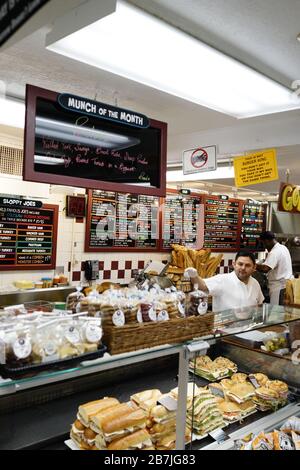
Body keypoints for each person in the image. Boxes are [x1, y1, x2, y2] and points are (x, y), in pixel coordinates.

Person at [184, 250, 264, 313]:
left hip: (249, 329)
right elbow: (202, 286)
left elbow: (260, 305)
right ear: (234, 264)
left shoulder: (255, 283)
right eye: (240, 264)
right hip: (225, 330)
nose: (243, 268)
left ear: (254, 267)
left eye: (247, 265)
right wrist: (194, 276)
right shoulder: (223, 280)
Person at [256, 231, 293, 305]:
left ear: (267, 241)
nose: (264, 246)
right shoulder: (283, 247)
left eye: (263, 243)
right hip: (287, 286)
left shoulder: (275, 252)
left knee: (276, 312)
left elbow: (265, 269)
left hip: (279, 288)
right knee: (283, 312)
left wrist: (252, 265)